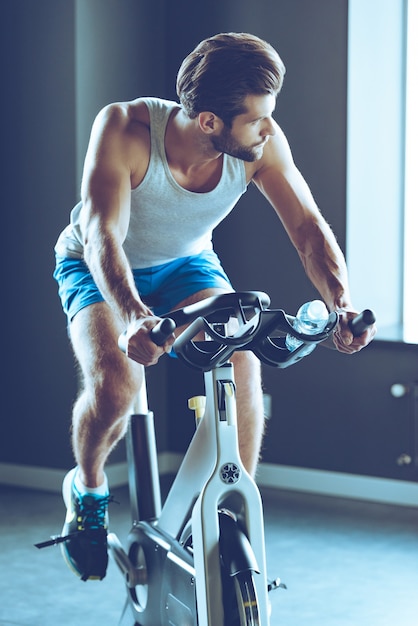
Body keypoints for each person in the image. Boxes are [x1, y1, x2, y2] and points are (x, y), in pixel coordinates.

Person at [53, 32, 375, 581]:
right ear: (209, 122)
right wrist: (133, 316)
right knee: (117, 386)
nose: (269, 128)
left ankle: (234, 508)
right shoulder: (125, 129)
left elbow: (307, 228)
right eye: (256, 119)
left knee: (242, 358)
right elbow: (102, 232)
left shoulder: (259, 145)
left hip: (186, 266)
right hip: (96, 263)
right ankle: (86, 487)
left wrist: (341, 304)